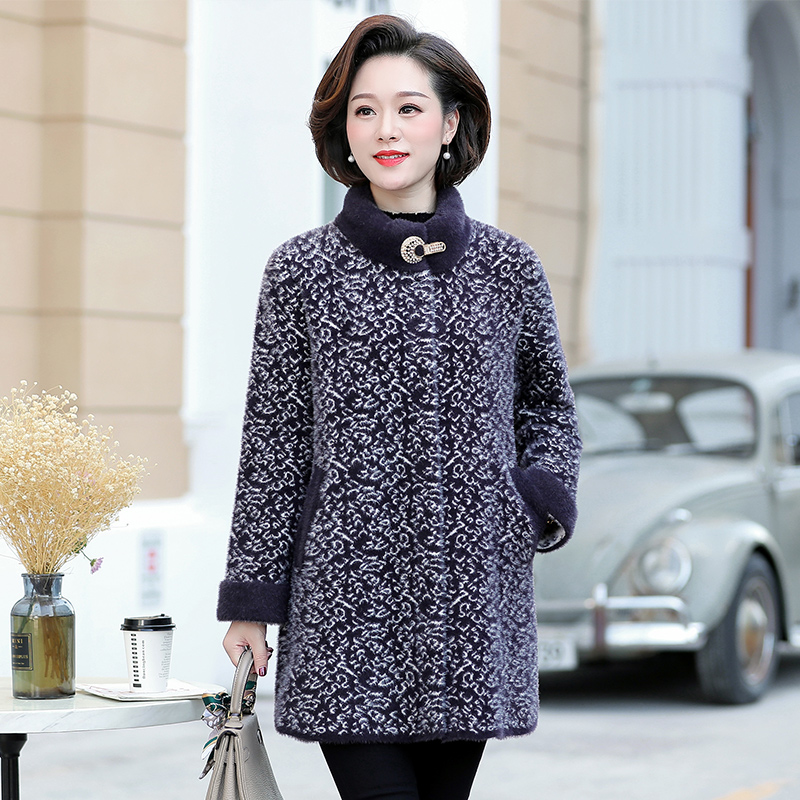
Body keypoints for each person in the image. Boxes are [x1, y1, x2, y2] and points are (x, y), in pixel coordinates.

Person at [217, 14, 581, 800]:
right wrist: (250, 602)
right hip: (347, 602)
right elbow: (273, 441)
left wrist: (530, 502)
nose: (385, 129)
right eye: (365, 110)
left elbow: (549, 407)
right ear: (344, 131)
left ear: (450, 124)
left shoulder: (509, 268)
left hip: (471, 601)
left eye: (409, 108)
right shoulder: (300, 272)